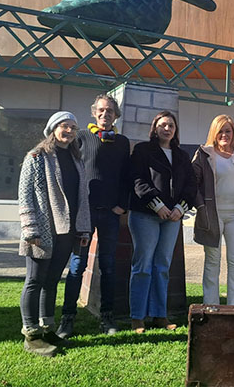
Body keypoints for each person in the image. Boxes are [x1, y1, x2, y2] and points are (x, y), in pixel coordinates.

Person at [18, 111, 91, 357]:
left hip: (67, 231)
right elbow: (25, 194)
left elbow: (81, 197)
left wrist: (83, 228)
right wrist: (30, 228)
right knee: (35, 281)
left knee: (51, 282)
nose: (69, 131)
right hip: (42, 230)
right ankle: (31, 335)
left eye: (73, 127)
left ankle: (47, 329)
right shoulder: (36, 156)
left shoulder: (76, 159)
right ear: (52, 129)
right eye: (64, 126)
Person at [58, 94, 130, 338]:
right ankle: (67, 318)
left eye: (109, 110)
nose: (105, 114)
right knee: (78, 265)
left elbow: (126, 176)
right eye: (101, 110)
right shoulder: (80, 137)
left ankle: (107, 317)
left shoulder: (122, 142)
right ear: (94, 112)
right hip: (84, 214)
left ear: (116, 115)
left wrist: (122, 205)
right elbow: (69, 172)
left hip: (110, 214)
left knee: (108, 266)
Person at [127, 110, 196, 333]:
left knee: (162, 266)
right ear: (155, 128)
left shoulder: (182, 156)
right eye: (163, 125)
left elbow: (191, 186)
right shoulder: (142, 150)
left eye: (171, 126)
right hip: (145, 215)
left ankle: (159, 315)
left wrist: (180, 208)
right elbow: (138, 181)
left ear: (176, 130)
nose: (167, 129)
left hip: (173, 218)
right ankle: (137, 317)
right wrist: (157, 205)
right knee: (143, 266)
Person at [191, 115, 234, 305]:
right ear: (214, 133)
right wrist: (201, 206)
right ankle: (211, 306)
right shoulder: (204, 153)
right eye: (220, 131)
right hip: (212, 216)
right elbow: (192, 184)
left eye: (228, 131)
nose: (224, 135)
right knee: (212, 261)